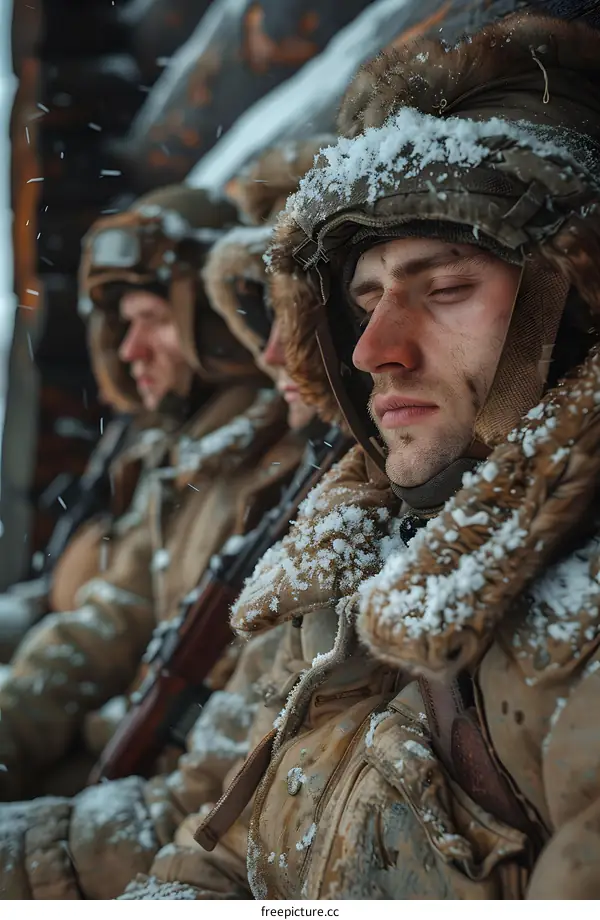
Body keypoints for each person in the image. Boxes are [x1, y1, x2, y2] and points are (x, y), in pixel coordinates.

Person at [121, 9, 600, 900]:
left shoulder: (582, 632)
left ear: (569, 305)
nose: (372, 349)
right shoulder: (349, 559)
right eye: (364, 300)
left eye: (447, 286)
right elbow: (217, 858)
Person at [0, 183, 278, 802]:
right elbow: (112, 616)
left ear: (209, 318)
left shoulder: (268, 459)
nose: (129, 351)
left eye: (152, 320)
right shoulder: (183, 446)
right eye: (124, 325)